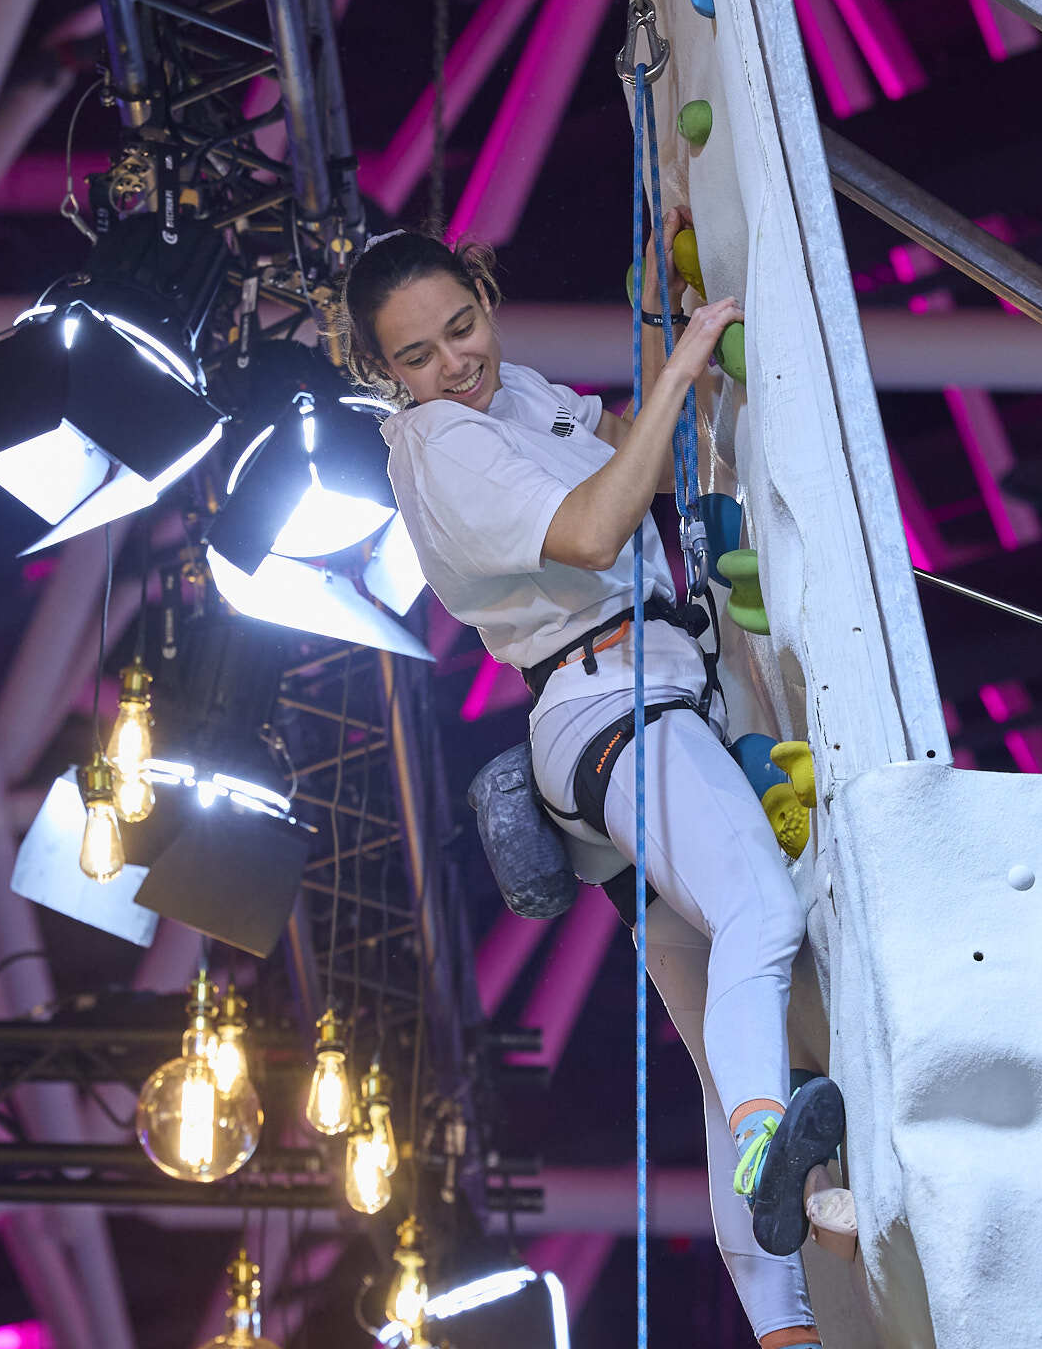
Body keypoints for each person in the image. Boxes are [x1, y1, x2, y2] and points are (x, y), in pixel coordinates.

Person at [329, 229, 838, 1349]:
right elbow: (601, 525)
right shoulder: (439, 444)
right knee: (762, 913)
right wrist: (685, 357)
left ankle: (784, 1327)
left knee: (718, 1048)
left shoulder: (514, 395)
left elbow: (626, 451)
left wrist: (658, 316)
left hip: (634, 709)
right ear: (383, 372)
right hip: (611, 709)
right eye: (416, 356)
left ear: (484, 295)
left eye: (462, 327)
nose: (454, 364)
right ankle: (769, 1140)